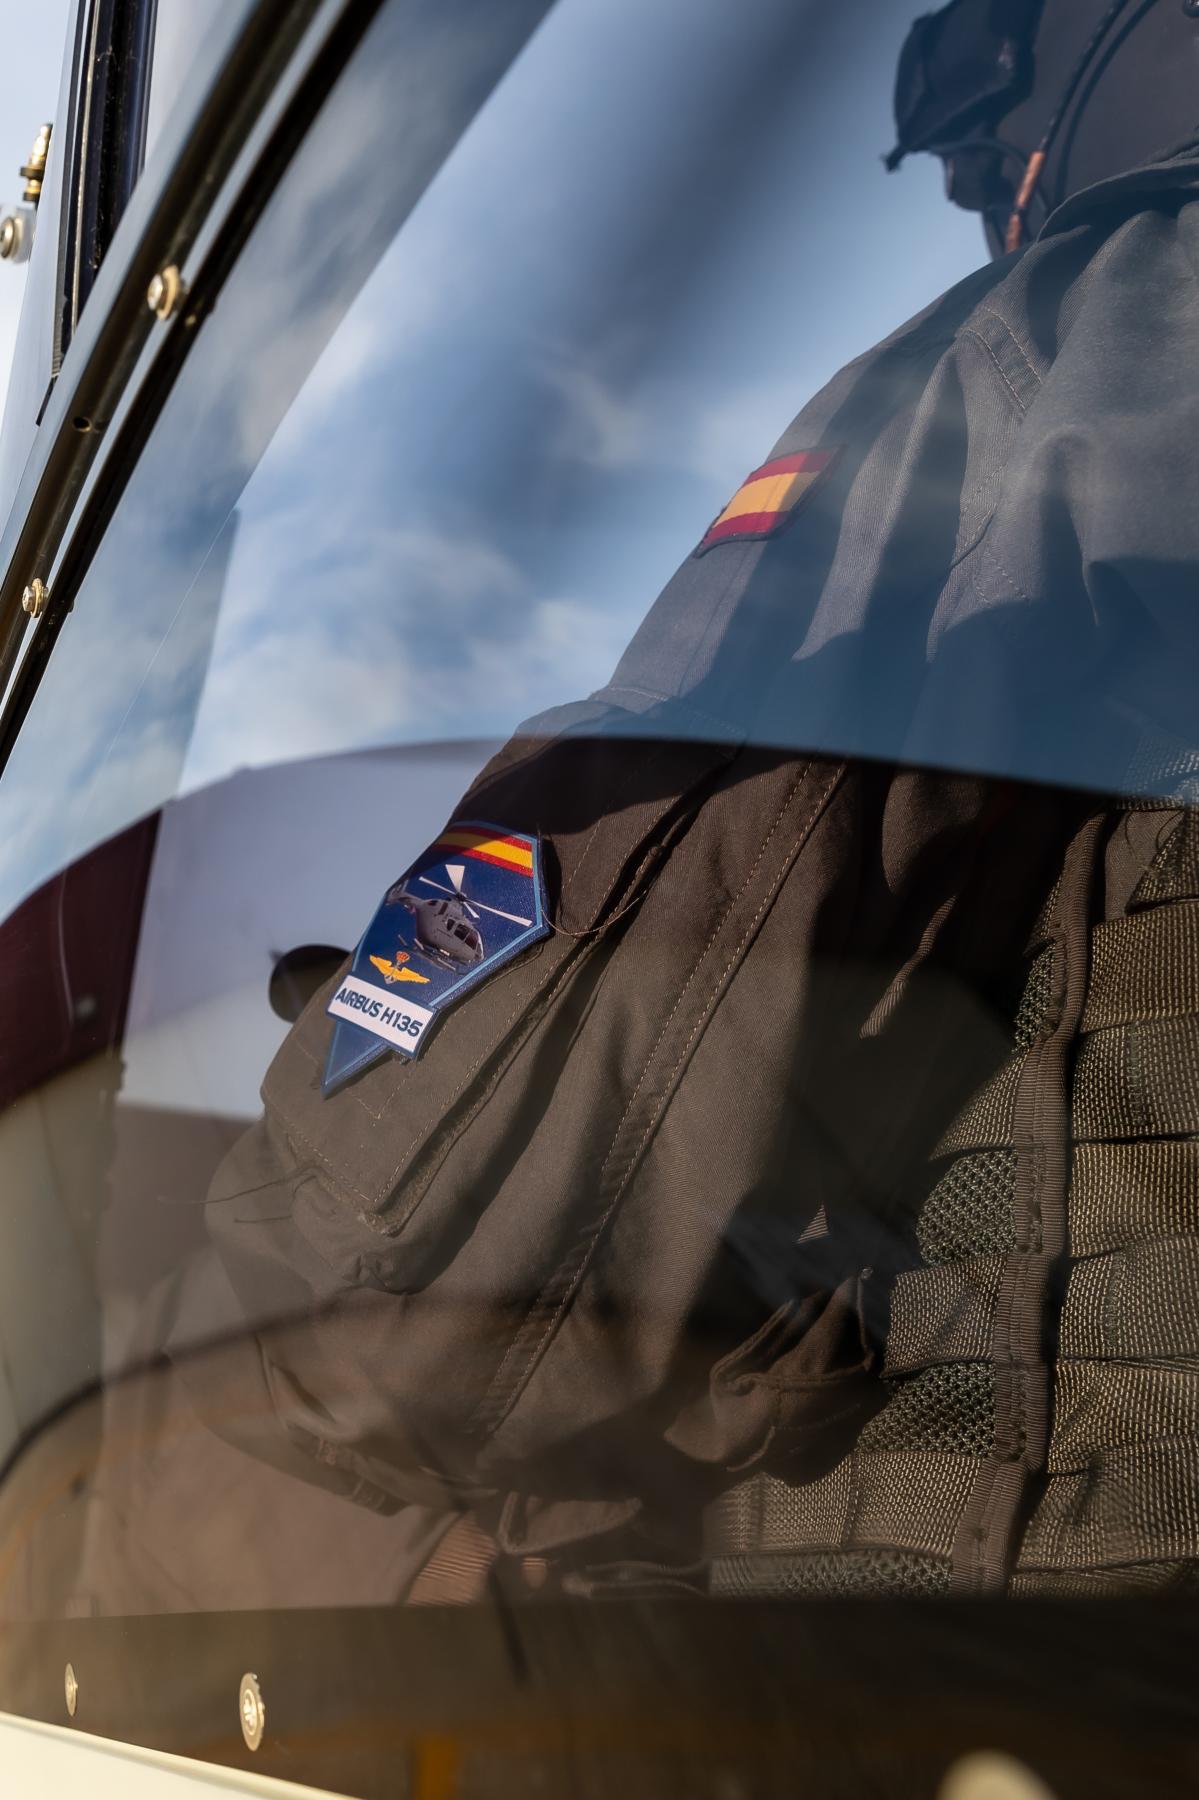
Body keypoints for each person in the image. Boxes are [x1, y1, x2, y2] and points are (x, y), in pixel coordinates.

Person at [81, 0, 1199, 1607]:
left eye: (982, 119)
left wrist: (213, 1316)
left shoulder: (1071, 332)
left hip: (1034, 1645)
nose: (974, 190)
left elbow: (636, 986)